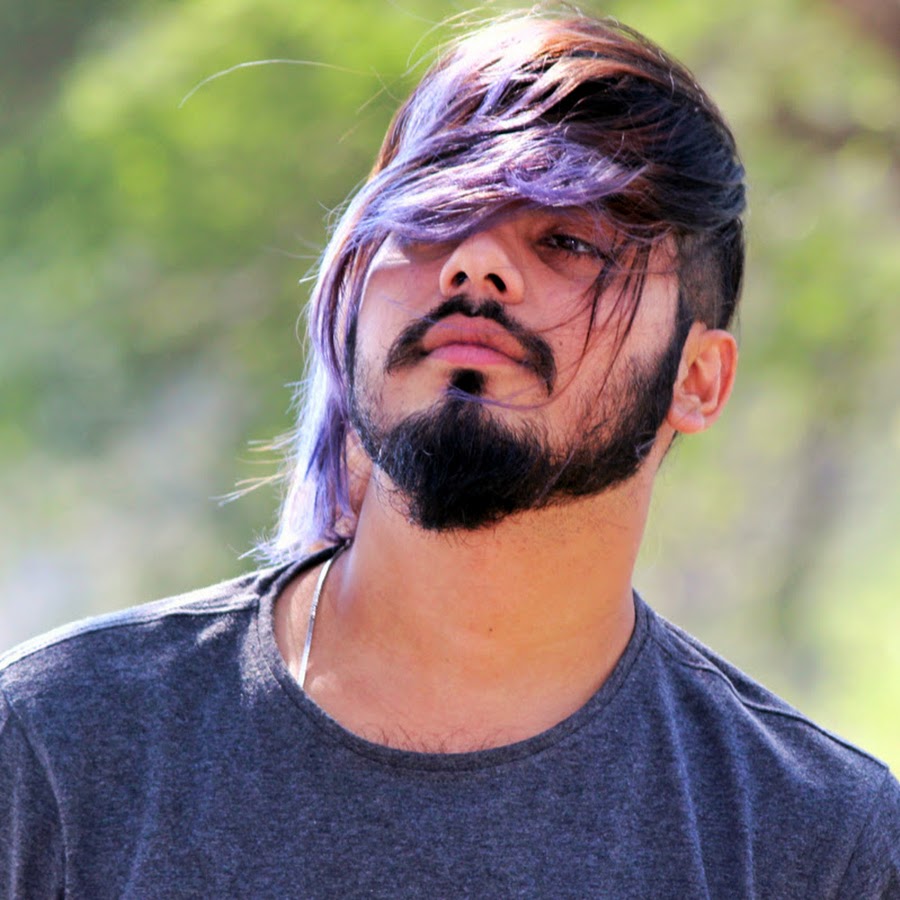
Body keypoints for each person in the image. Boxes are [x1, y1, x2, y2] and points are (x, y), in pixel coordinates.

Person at [1, 12, 898, 898]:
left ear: (696, 380)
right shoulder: (56, 747)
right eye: (432, 219)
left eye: (568, 239)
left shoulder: (818, 845)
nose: (473, 264)